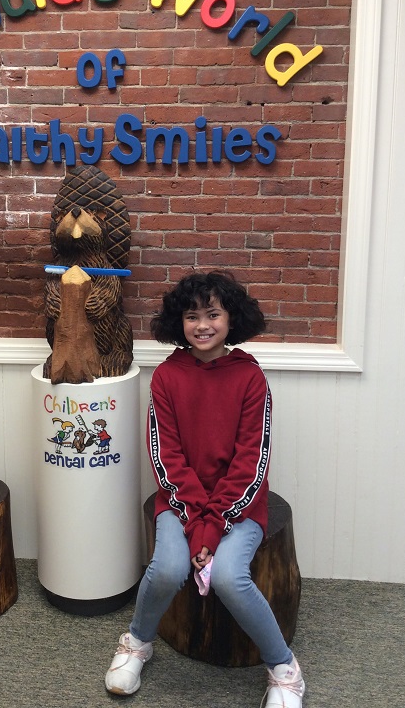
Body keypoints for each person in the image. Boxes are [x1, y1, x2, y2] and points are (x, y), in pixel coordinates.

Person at [104, 271, 305, 708]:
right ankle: (137, 642)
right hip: (180, 502)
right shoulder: (166, 378)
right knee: (166, 569)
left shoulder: (251, 379)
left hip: (240, 505)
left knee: (231, 578)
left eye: (213, 314)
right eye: (192, 316)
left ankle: (284, 668)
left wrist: (211, 529)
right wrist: (197, 525)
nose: (203, 325)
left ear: (232, 318)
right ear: (180, 323)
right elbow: (166, 459)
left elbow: (250, 463)